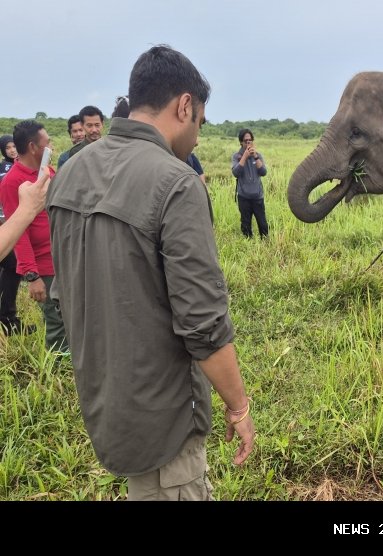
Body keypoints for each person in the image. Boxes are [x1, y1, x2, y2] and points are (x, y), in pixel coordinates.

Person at [48, 44, 255, 501]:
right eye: (199, 121)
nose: (198, 137)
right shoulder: (176, 183)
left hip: (106, 403)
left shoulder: (70, 172)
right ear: (184, 106)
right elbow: (203, 325)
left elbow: (64, 293)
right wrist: (239, 408)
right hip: (166, 418)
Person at [0, 121, 68, 350]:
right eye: (47, 142)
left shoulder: (47, 171)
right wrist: (32, 276)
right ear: (33, 147)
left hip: (61, 256)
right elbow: (17, 233)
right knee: (56, 319)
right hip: (43, 266)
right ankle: (58, 368)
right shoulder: (13, 181)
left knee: (69, 314)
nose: (51, 146)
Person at [1, 136, 37, 335]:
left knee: (12, 267)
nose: (12, 150)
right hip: (8, 226)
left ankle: (7, 318)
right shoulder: (6, 172)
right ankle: (7, 319)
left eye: (14, 146)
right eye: (8, 147)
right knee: (12, 266)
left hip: (8, 226)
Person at [231, 129, 268, 238]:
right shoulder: (236, 156)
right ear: (241, 142)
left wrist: (255, 157)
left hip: (257, 196)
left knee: (263, 224)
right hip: (244, 197)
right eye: (245, 140)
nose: (248, 143)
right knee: (246, 225)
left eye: (250, 140)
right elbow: (236, 173)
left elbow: (263, 172)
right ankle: (248, 246)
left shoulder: (258, 155)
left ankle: (266, 244)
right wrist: (244, 157)